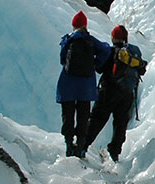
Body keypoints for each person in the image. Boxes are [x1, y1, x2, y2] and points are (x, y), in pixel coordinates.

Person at [82, 25, 147, 162]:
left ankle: (83, 145)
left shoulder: (111, 52)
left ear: (113, 38)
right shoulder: (132, 53)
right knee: (120, 123)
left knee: (98, 119)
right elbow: (142, 70)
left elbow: (99, 68)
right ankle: (115, 152)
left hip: (109, 91)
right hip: (127, 93)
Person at [55, 11, 111, 158]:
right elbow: (106, 50)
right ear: (85, 25)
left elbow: (62, 59)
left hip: (67, 84)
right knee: (83, 116)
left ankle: (69, 146)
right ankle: (80, 147)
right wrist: (95, 64)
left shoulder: (68, 40)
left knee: (68, 116)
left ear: (73, 25)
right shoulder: (90, 40)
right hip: (86, 86)